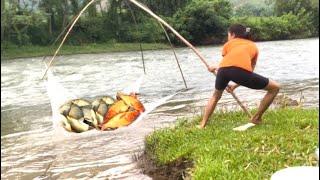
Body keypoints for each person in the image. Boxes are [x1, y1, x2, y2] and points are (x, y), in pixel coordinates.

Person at [199, 24, 280, 129]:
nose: (228, 37)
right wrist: (235, 85)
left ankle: (203, 124)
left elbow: (228, 64)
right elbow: (246, 70)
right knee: (275, 88)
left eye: (228, 34)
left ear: (232, 34)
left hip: (223, 70)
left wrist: (215, 68)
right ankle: (256, 118)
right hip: (237, 71)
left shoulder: (228, 44)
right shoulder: (253, 46)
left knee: (215, 96)